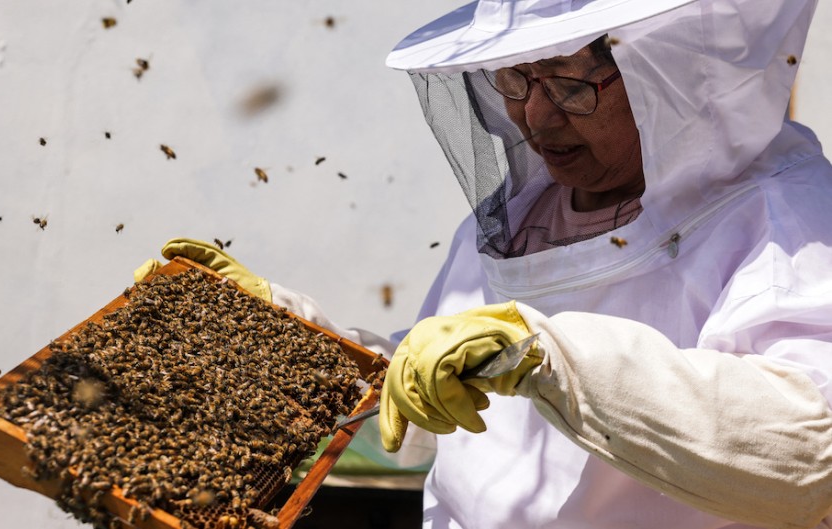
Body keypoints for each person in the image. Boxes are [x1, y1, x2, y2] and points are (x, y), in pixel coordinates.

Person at [139, 0, 832, 527]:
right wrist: (287, 344)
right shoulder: (523, 216)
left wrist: (547, 358)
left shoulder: (788, 222)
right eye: (514, 79)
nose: (535, 117)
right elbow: (422, 417)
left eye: (566, 84)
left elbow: (808, 452)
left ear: (676, 75)